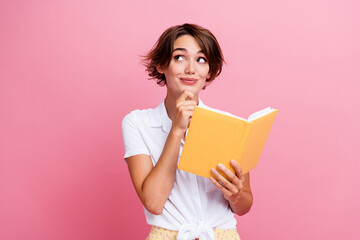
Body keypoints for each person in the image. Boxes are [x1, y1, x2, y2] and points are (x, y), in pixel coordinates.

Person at [121, 23, 253, 240]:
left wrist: (236, 194)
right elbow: (154, 202)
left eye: (201, 60)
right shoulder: (137, 123)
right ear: (162, 65)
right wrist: (177, 130)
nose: (191, 69)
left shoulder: (230, 125)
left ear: (209, 71)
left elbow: (244, 205)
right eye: (180, 57)